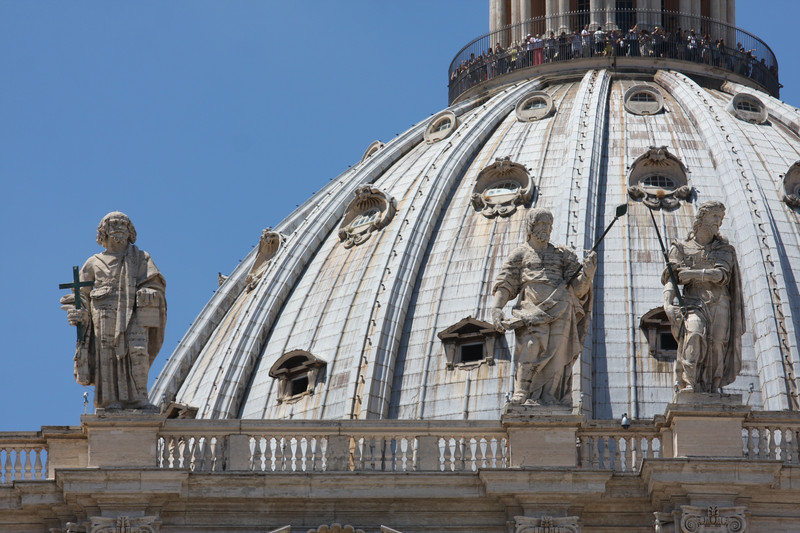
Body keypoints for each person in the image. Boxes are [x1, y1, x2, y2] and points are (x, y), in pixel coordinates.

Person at [62, 212, 167, 409]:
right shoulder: (93, 262)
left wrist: (149, 291)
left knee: (138, 352)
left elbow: (155, 284)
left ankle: (140, 398)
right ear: (104, 230)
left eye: (124, 224)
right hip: (103, 314)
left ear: (130, 231)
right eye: (114, 223)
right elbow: (80, 294)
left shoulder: (142, 258)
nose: (119, 227)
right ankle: (110, 401)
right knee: (107, 355)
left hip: (134, 311)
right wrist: (80, 312)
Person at [491, 209, 596, 406]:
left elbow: (578, 289)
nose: (546, 229)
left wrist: (588, 274)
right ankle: (523, 391)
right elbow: (506, 283)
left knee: (557, 355)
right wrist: (497, 308)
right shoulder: (520, 254)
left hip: (561, 309)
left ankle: (550, 396)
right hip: (530, 309)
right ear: (531, 227)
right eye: (541, 225)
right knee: (530, 348)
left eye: (548, 225)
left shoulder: (562, 255)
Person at [662, 201, 744, 393]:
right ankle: (689, 382)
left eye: (721, 218)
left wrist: (691, 274)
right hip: (693, 304)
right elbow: (671, 279)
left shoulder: (724, 250)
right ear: (702, 217)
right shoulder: (680, 248)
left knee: (717, 345)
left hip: (720, 304)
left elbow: (721, 275)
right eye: (715, 217)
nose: (719, 222)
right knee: (694, 334)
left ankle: (713, 388)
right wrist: (667, 304)